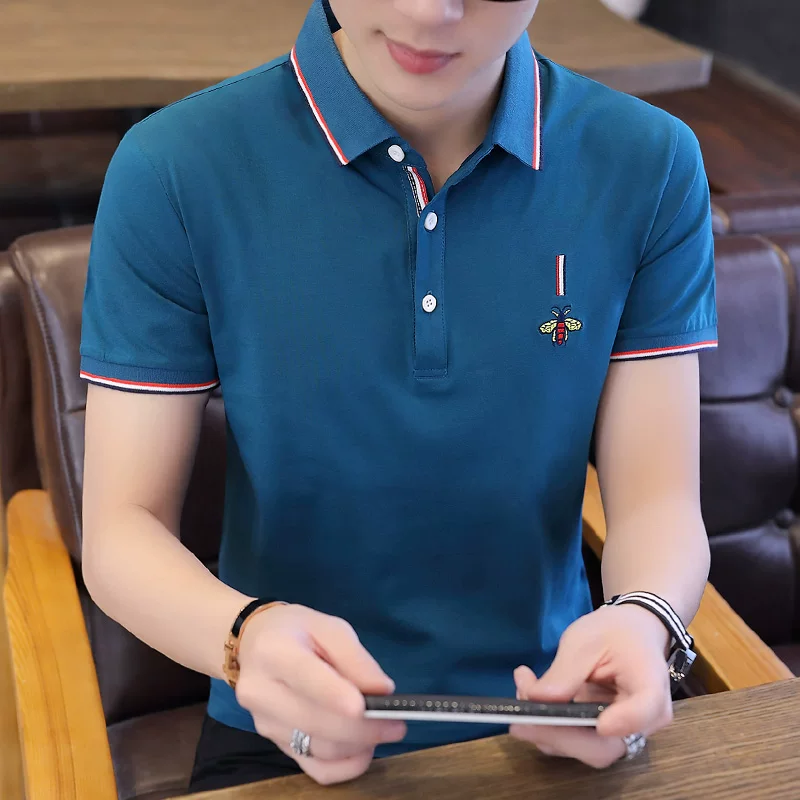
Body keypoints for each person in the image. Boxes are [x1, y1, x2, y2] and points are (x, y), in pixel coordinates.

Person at [79, 0, 716, 791]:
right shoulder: (175, 165)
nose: (428, 11)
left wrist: (646, 617)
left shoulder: (649, 162)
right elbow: (121, 529)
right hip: (281, 724)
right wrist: (244, 640)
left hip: (562, 712)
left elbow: (659, 503)